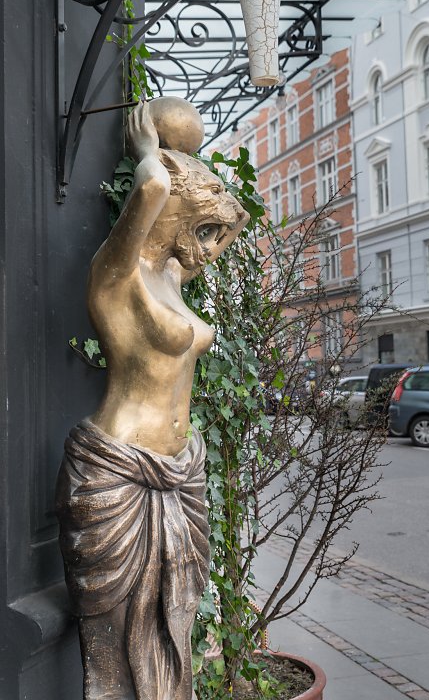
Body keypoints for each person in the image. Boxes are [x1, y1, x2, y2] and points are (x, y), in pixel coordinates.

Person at [56, 100, 249, 700]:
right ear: (174, 208)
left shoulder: (170, 278)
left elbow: (231, 218)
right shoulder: (116, 277)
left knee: (176, 633)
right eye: (206, 228)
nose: (213, 248)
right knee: (112, 650)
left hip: (180, 473)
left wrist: (214, 203)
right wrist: (149, 152)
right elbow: (153, 189)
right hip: (115, 475)